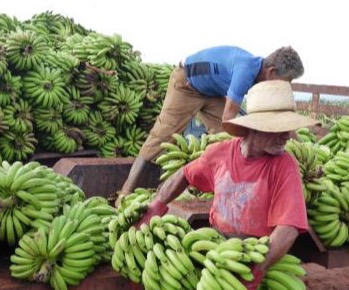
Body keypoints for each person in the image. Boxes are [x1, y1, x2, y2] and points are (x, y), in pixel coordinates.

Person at [134, 80, 319, 290]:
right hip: (217, 263)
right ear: (251, 128)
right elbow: (184, 174)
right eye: (276, 128)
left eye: (288, 128)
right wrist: (157, 204)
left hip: (261, 262)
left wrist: (255, 269)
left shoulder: (284, 166)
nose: (286, 136)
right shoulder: (221, 154)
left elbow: (287, 230)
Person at [119, 45, 305, 198]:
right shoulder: (245, 71)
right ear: (272, 71)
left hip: (211, 94)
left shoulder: (261, 77)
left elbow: (280, 114)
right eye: (286, 80)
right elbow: (228, 119)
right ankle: (125, 192)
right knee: (161, 137)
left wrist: (299, 145)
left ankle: (211, 189)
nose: (286, 86)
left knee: (224, 138)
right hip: (187, 84)